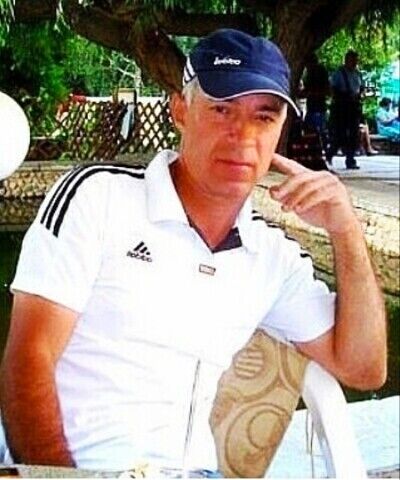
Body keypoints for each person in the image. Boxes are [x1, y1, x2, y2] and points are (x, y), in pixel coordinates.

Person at [0, 29, 386, 472]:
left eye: (264, 117)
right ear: (180, 110)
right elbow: (28, 357)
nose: (243, 136)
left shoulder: (271, 256)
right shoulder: (98, 198)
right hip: (81, 468)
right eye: (222, 109)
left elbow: (364, 369)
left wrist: (346, 230)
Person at [327, 50, 364, 169]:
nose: (354, 63)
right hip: (341, 107)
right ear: (347, 60)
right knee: (340, 134)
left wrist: (359, 96)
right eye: (352, 60)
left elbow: (360, 88)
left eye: (356, 60)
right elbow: (332, 89)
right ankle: (329, 154)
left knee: (353, 134)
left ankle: (350, 159)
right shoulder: (339, 73)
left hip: (353, 107)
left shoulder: (358, 74)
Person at [302, 53, 331, 157]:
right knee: (314, 129)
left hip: (317, 106)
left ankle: (323, 150)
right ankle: (320, 150)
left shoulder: (316, 73)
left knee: (317, 130)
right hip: (315, 106)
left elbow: (325, 90)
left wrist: (311, 93)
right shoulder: (312, 73)